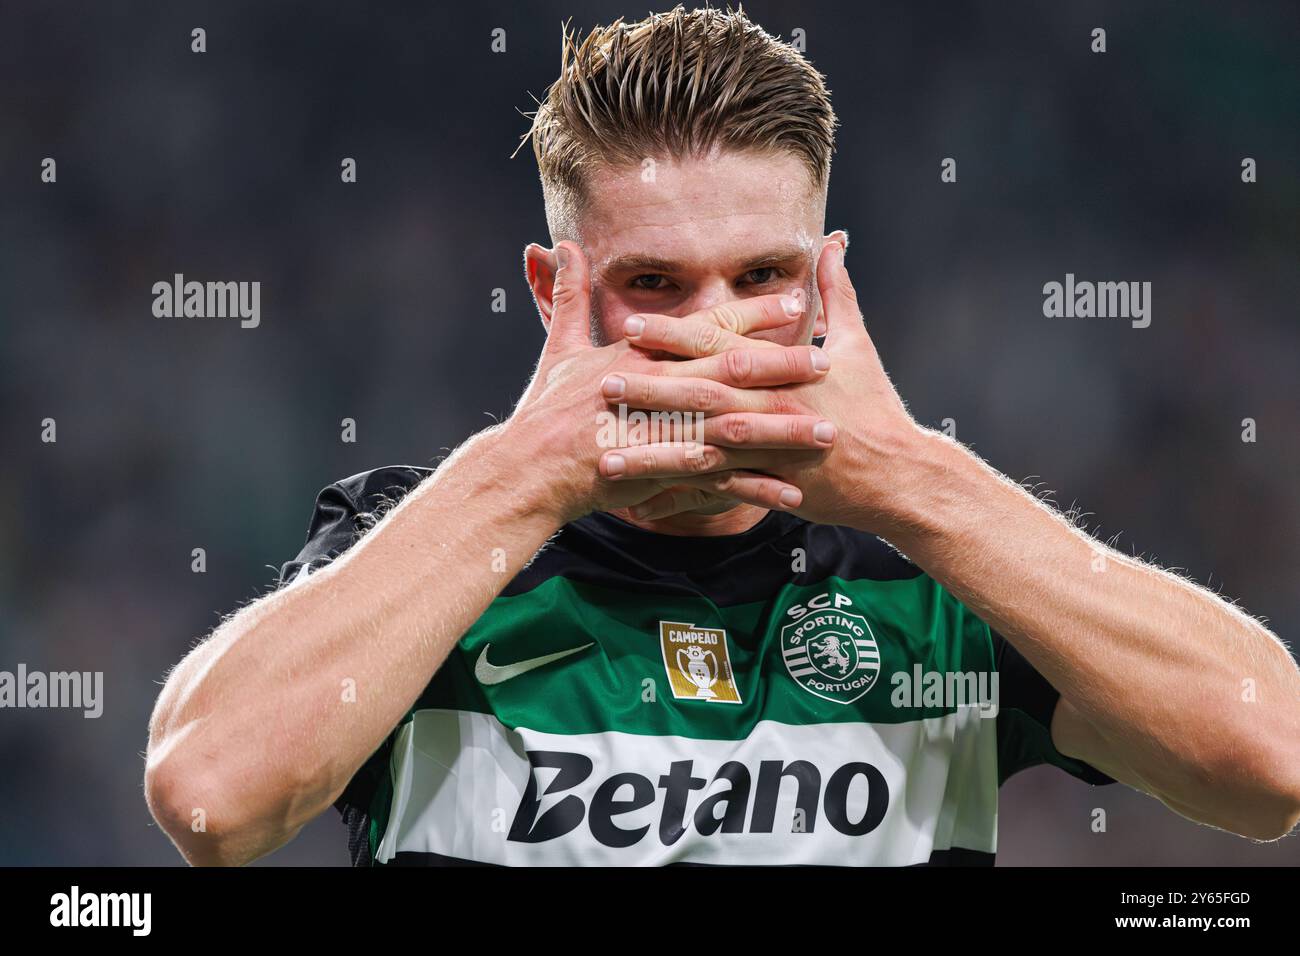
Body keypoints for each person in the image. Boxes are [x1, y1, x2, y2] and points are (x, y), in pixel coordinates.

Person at [144, 6, 1300, 866]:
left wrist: (916, 483)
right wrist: (524, 476)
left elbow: (1270, 764)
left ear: (823, 286)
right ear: (556, 294)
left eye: (760, 275)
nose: (709, 330)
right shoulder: (426, 547)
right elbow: (208, 794)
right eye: (655, 280)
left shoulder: (937, 577)